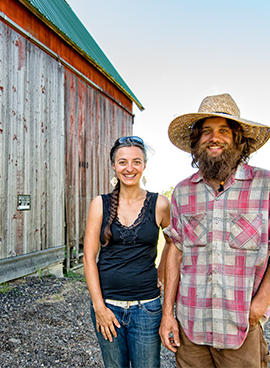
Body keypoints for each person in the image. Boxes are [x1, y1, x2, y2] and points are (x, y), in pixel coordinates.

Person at [159, 93, 270, 368]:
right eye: (207, 131)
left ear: (238, 139)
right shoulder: (183, 192)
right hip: (191, 327)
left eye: (224, 130)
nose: (215, 137)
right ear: (196, 141)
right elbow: (174, 252)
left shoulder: (266, 185)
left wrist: (258, 307)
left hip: (241, 328)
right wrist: (168, 315)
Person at [84, 136, 173, 368]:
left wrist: (161, 275)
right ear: (114, 166)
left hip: (147, 308)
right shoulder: (99, 204)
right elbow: (88, 258)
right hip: (108, 306)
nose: (129, 168)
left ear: (144, 165)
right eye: (122, 162)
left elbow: (173, 245)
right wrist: (99, 307)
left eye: (136, 161)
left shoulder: (160, 204)